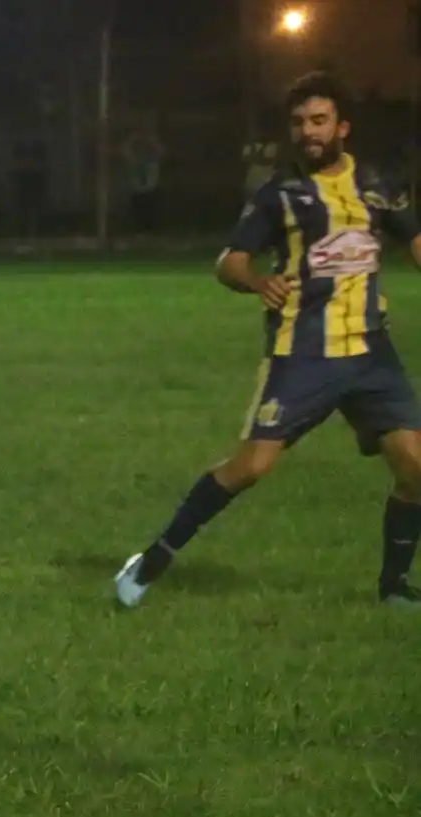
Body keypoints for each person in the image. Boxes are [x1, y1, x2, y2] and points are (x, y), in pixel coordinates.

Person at [116, 71, 421, 609]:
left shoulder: (378, 184)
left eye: (320, 120)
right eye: (300, 122)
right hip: (302, 353)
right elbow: (228, 262)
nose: (309, 131)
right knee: (251, 468)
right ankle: (150, 561)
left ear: (342, 127)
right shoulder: (280, 195)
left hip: (372, 353)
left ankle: (392, 588)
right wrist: (257, 281)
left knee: (416, 469)